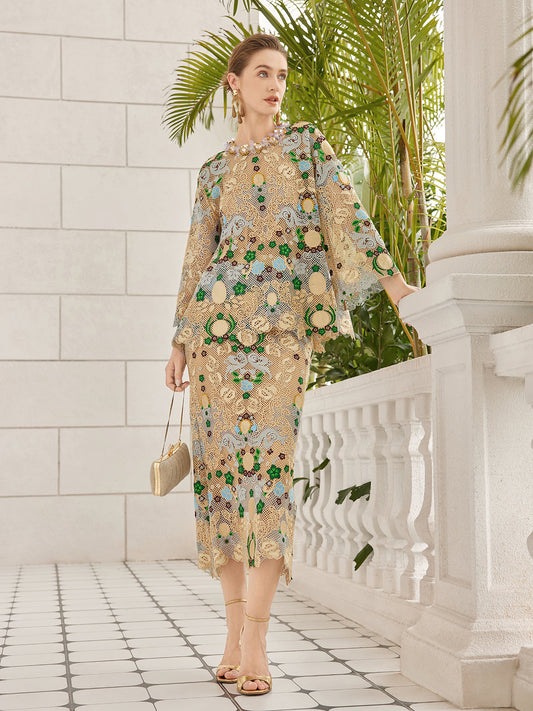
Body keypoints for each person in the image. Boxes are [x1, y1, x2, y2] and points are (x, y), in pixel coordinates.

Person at [164, 32, 418, 696]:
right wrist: (179, 340)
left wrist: (395, 287)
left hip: (282, 334)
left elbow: (348, 215)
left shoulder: (306, 146)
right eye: (263, 74)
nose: (275, 85)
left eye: (281, 75)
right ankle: (230, 635)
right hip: (214, 336)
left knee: (268, 482)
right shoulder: (212, 172)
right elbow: (197, 257)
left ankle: (256, 637)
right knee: (221, 485)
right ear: (234, 83)